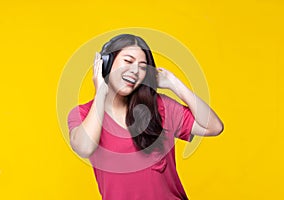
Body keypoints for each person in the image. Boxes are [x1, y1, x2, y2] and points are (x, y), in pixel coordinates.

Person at [67, 34, 224, 200]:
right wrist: (100, 92)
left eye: (142, 67)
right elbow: (84, 148)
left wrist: (173, 82)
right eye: (128, 61)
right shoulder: (83, 114)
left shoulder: (160, 107)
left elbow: (214, 127)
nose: (135, 71)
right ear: (105, 63)